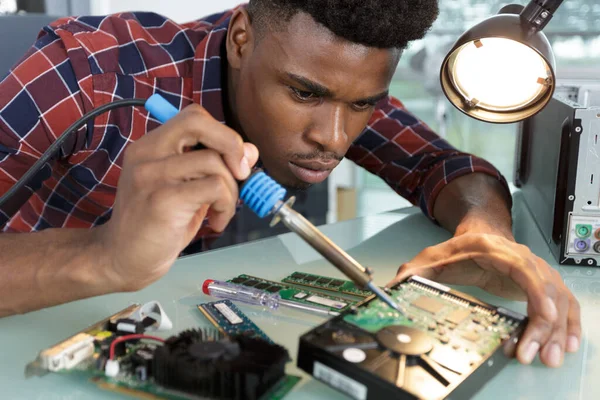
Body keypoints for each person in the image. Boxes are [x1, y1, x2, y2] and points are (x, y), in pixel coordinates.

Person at [0, 0, 579, 368]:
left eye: (363, 105)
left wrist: (488, 233)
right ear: (242, 38)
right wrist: (104, 257)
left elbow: (443, 166)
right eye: (304, 94)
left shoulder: (337, 82)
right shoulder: (82, 76)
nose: (332, 137)